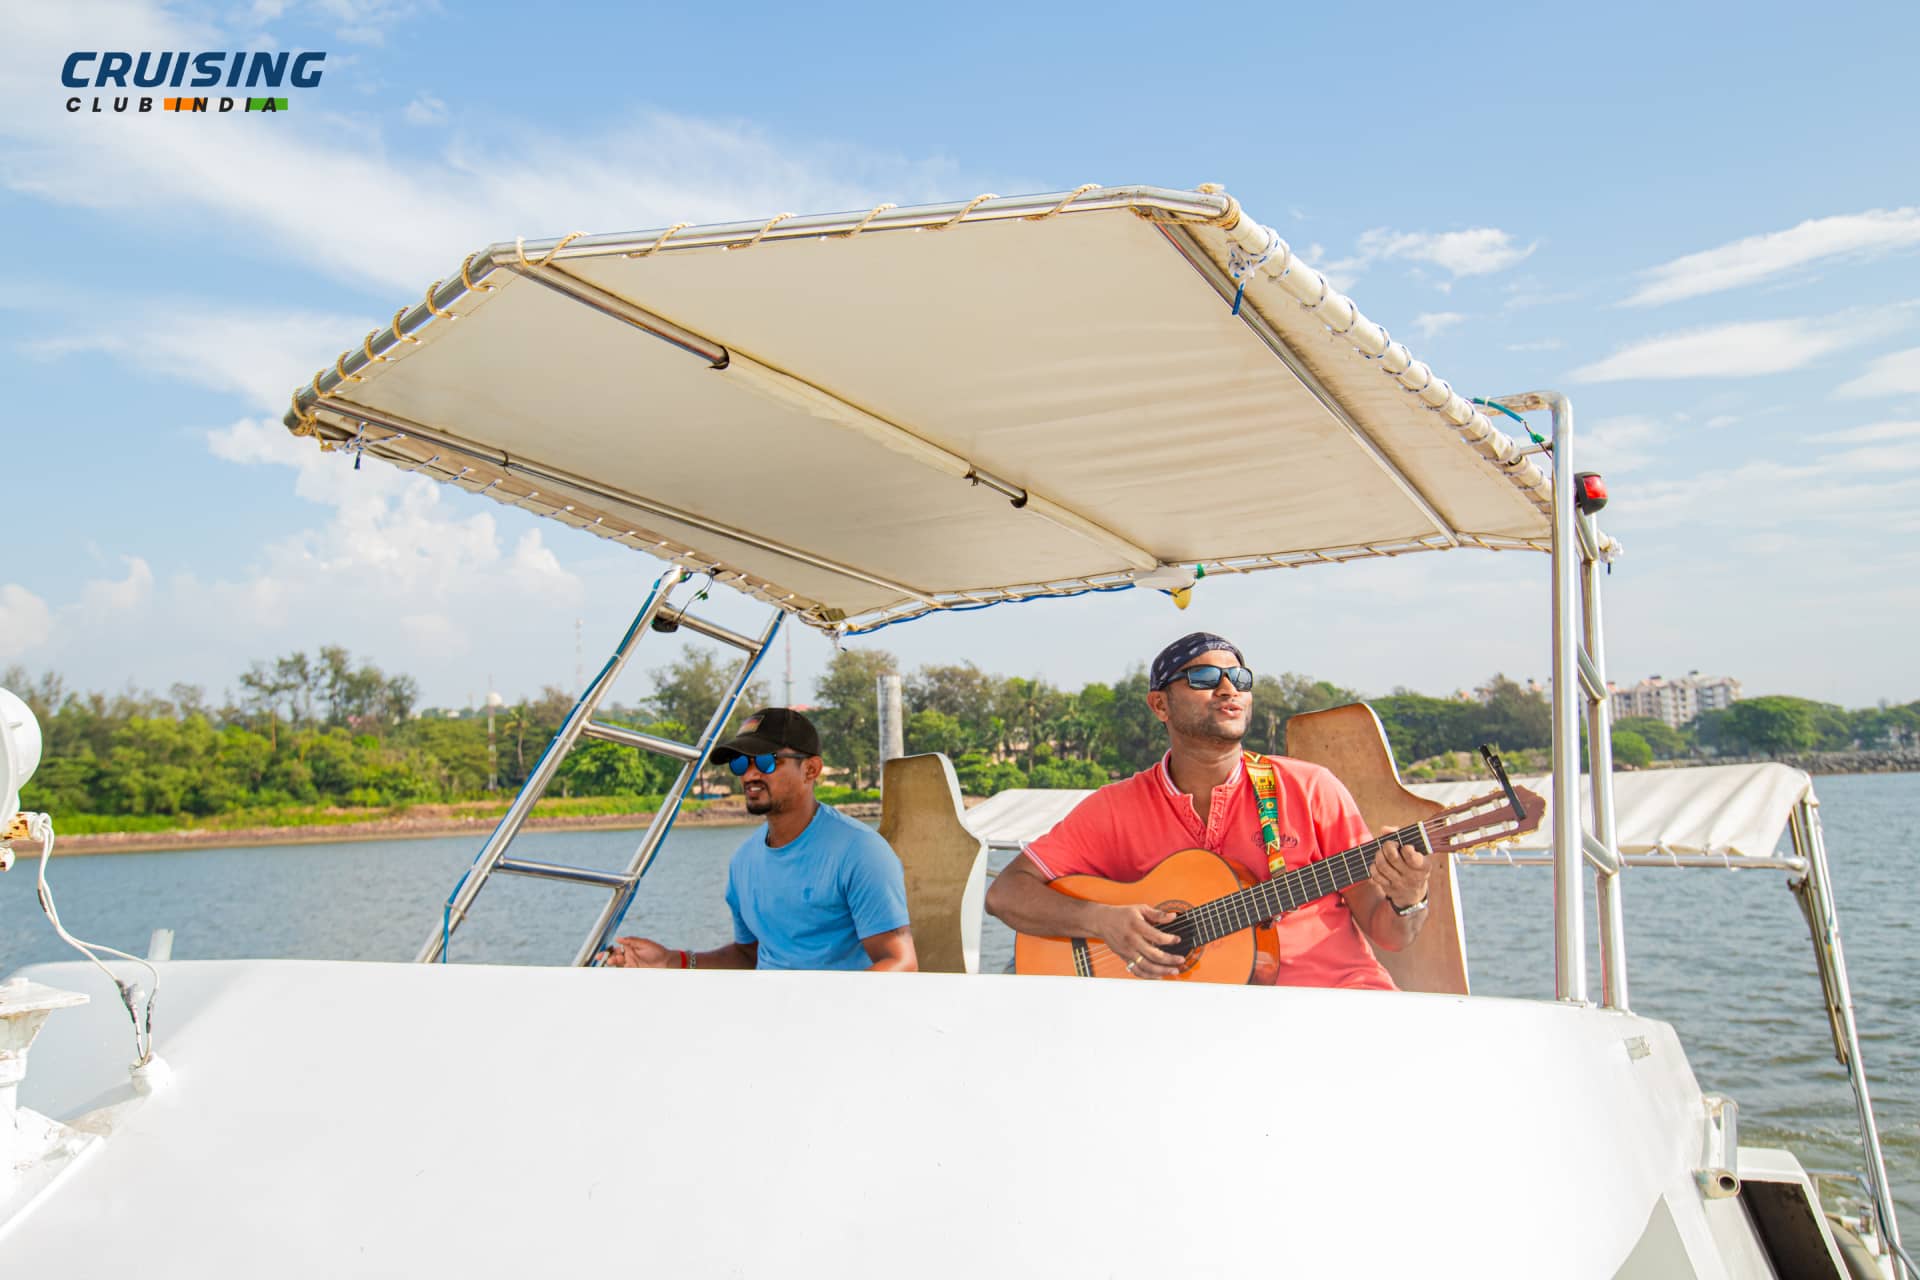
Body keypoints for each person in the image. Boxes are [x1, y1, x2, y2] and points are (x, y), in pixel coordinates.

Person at [983, 633, 1429, 988]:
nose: (1228, 688)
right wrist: (1101, 921)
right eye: (1203, 678)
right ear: (1160, 704)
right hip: (1187, 1023)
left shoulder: (1310, 787)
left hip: (1335, 1001)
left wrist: (1410, 898)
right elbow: (1005, 894)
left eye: (1240, 678)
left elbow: (1391, 934)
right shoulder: (1115, 808)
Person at [602, 707, 916, 972]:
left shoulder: (859, 851)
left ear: (811, 770)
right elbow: (748, 956)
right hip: (764, 1012)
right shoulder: (744, 861)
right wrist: (671, 960)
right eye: (740, 764)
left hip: (831, 1017)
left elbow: (900, 962)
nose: (750, 775)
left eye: (767, 761)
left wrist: (817, 1012)